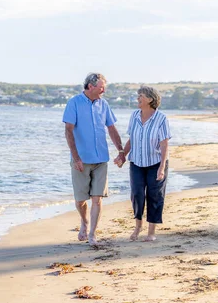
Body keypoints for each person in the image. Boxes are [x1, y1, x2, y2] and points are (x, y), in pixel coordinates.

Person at [63, 73, 125, 245]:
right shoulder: (74, 103)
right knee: (80, 200)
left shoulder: (103, 104)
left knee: (97, 198)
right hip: (81, 160)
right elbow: (68, 131)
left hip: (101, 160)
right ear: (91, 86)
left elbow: (111, 129)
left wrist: (120, 150)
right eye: (101, 87)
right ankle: (84, 221)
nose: (104, 90)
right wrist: (76, 158)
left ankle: (92, 234)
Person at [115, 86, 171, 242]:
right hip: (137, 163)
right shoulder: (134, 116)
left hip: (156, 163)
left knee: (154, 196)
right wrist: (122, 155)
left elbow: (164, 144)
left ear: (150, 99)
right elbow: (132, 139)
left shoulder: (161, 118)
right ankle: (138, 227)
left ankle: (151, 232)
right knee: (137, 195)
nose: (138, 98)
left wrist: (161, 167)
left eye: (141, 96)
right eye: (138, 95)